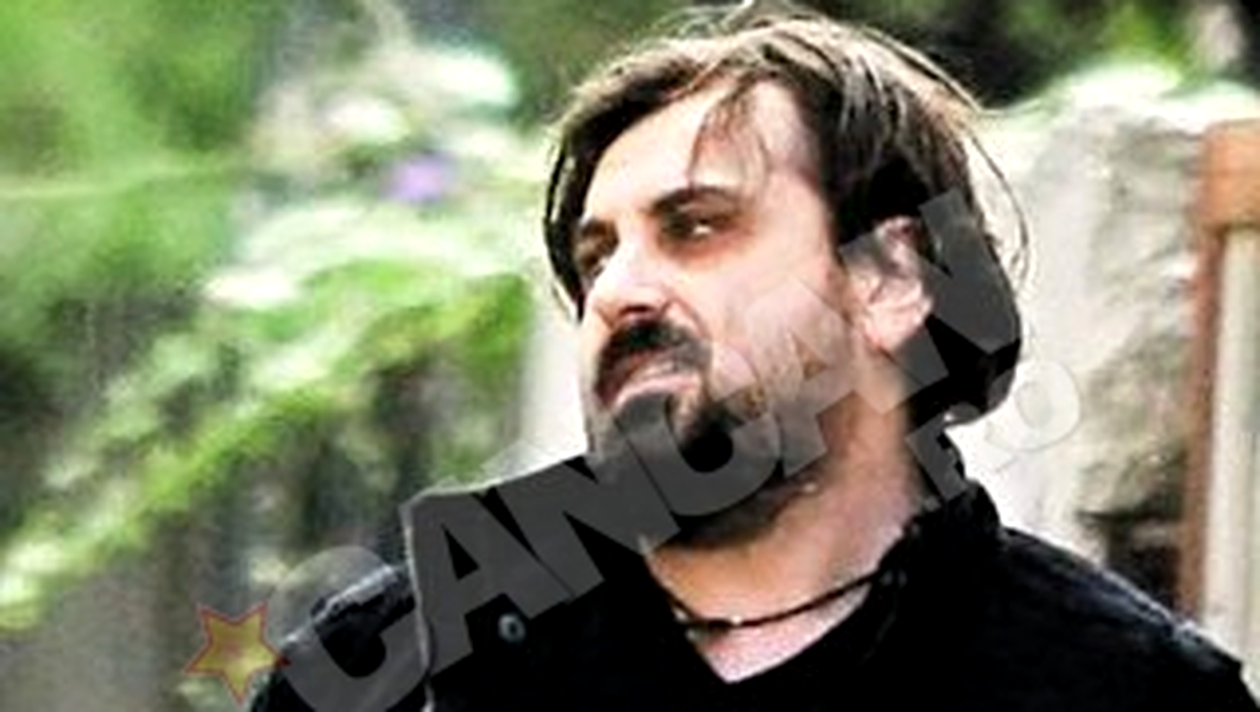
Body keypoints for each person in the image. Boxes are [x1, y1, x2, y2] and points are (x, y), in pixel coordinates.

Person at [251, 3, 1258, 710]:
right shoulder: (396, 660)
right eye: (597, 255)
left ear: (890, 279)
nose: (619, 291)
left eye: (695, 227)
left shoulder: (1126, 693)